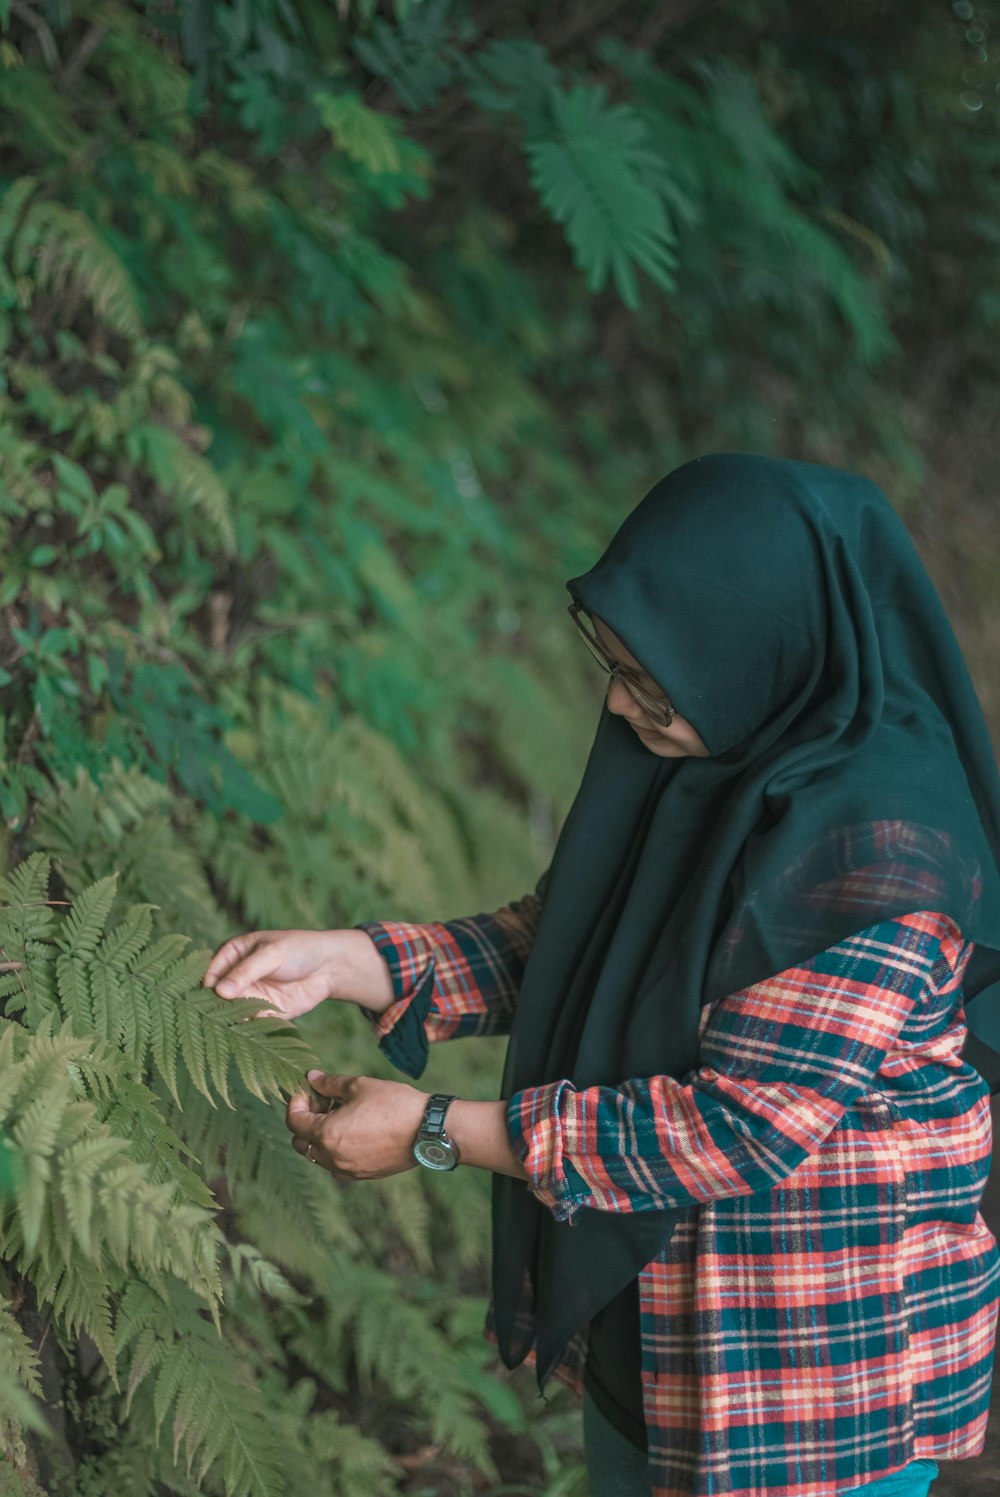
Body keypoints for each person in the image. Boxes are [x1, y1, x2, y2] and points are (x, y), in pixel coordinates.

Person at [203, 453, 1000, 1497]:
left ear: (764, 652)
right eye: (614, 666)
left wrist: (435, 1130)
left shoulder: (877, 852)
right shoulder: (709, 755)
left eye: (650, 682)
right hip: (659, 1330)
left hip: (814, 1376)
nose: (622, 707)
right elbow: (581, 940)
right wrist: (357, 961)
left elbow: (742, 1125)